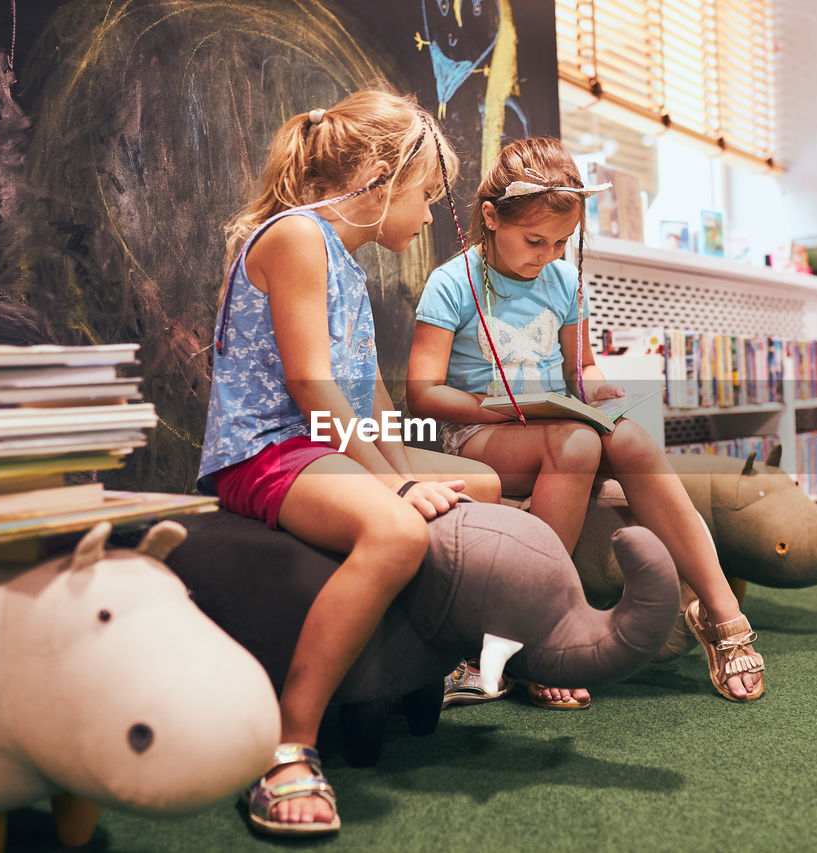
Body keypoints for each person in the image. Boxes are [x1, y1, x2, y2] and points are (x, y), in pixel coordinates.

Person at [198, 89, 500, 837]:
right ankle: (287, 746)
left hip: (317, 442)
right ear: (376, 172)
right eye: (426, 195)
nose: (431, 215)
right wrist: (393, 483)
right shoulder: (296, 237)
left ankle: (446, 660)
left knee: (484, 483)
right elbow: (311, 386)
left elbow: (365, 400)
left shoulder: (344, 261)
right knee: (397, 531)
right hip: (265, 449)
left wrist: (403, 465)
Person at [407, 136, 764, 711]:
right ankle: (543, 634)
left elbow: (584, 370)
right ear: (492, 218)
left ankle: (721, 612)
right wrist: (503, 407)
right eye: (534, 241)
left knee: (631, 440)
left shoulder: (562, 280)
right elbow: (422, 392)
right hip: (477, 432)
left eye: (559, 243)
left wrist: (599, 391)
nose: (546, 255)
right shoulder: (454, 281)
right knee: (575, 445)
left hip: (553, 423)